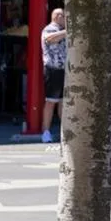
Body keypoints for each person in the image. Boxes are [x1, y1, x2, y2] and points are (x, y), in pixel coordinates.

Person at [39, 8, 68, 143]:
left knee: (63, 102)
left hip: (64, 70)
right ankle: (45, 131)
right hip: (53, 69)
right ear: (57, 17)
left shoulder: (62, 30)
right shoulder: (49, 29)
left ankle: (65, 132)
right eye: (64, 16)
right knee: (51, 101)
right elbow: (51, 39)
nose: (66, 19)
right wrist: (68, 31)